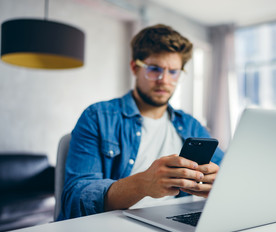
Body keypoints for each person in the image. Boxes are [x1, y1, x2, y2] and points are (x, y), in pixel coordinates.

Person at [58, 24, 224, 220]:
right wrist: (143, 184)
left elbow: (229, 172)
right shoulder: (98, 117)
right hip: (113, 225)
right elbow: (75, 199)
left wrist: (217, 180)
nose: (164, 80)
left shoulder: (190, 124)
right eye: (154, 69)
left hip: (173, 222)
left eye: (173, 72)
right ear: (135, 68)